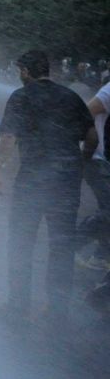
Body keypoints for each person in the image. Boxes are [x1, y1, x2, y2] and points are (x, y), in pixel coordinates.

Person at [0, 50, 94, 324]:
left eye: (19, 71)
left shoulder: (21, 97)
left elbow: (9, 137)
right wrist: (79, 163)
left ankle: (18, 305)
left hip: (33, 181)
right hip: (67, 182)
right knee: (62, 246)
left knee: (22, 243)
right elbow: (92, 136)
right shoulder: (70, 97)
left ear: (25, 71)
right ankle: (58, 310)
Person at [76, 80, 110, 270]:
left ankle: (102, 256)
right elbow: (86, 113)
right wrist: (87, 149)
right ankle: (72, 244)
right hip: (95, 158)